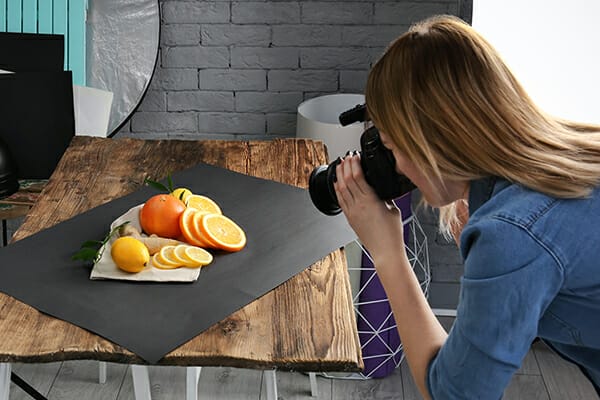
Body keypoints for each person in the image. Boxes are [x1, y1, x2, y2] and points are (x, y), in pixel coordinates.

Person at [333, 14, 600, 399]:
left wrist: (388, 252)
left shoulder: (512, 235)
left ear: (433, 142)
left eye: (392, 147)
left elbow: (455, 395)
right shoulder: (574, 154)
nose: (397, 167)